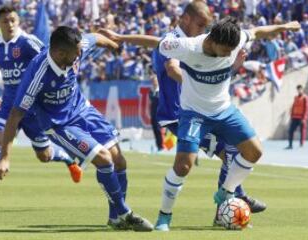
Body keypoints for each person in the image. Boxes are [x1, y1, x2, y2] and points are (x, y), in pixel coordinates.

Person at [98, 2, 268, 231]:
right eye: (200, 24)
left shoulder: (201, 42)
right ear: (185, 19)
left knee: (234, 152)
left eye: (206, 26)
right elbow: (172, 69)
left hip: (202, 110)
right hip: (180, 114)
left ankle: (231, 198)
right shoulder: (177, 41)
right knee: (221, 155)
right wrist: (197, 79)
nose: (203, 30)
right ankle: (228, 201)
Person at [0, 26, 153, 232]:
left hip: (82, 109)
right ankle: (126, 213)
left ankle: (115, 218)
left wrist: (113, 46)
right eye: (76, 53)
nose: (80, 55)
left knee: (119, 160)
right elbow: (15, 115)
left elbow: (95, 38)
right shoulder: (37, 74)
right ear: (60, 53)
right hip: (59, 124)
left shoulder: (75, 47)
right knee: (103, 159)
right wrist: (5, 157)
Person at [0, 5, 82, 211]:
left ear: (18, 21)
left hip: (32, 108)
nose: (10, 24)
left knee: (44, 155)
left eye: (13, 20)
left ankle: (67, 158)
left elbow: (51, 59)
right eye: (5, 21)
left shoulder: (28, 42)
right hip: (8, 103)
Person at [286, 84, 308, 149]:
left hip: (301, 118)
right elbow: (293, 106)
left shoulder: (305, 98)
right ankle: (290, 145)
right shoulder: (296, 97)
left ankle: (301, 144)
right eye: (298, 89)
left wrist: (304, 118)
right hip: (295, 117)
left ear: (302, 89)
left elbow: (306, 108)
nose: (299, 90)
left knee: (302, 131)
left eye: (300, 89)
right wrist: (291, 115)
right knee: (291, 130)